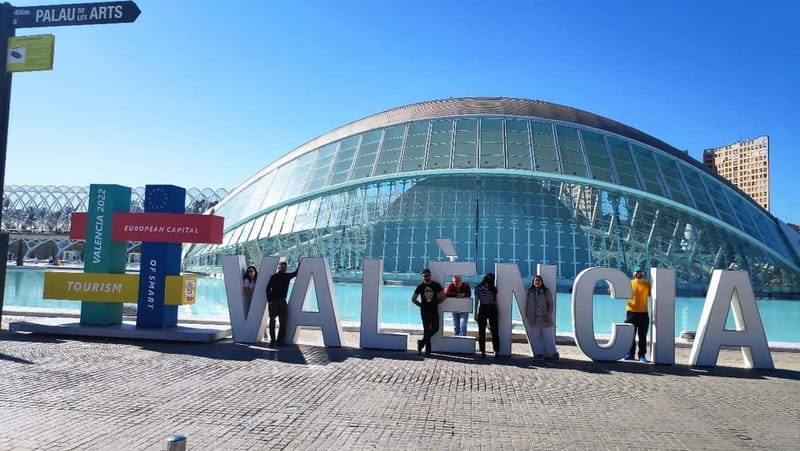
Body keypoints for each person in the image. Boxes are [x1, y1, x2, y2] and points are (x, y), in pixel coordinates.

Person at [266, 260, 301, 347]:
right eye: (281, 267)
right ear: (278, 268)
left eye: (284, 267)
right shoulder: (275, 277)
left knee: (281, 321)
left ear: (286, 268)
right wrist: (270, 300)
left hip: (281, 301)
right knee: (274, 321)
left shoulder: (286, 276)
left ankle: (278, 340)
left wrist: (300, 263)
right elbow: (267, 289)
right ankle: (274, 340)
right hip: (275, 301)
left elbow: (296, 273)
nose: (282, 269)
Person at [411, 268, 444, 355]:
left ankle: (421, 342)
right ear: (422, 277)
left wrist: (436, 303)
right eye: (424, 276)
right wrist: (421, 305)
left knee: (435, 328)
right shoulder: (420, 286)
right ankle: (428, 350)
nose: (426, 277)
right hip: (424, 311)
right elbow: (413, 299)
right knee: (426, 329)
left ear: (430, 275)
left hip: (434, 310)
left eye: (428, 275)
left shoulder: (435, 285)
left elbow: (444, 296)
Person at [525, 275, 558, 361]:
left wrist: (548, 314)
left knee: (548, 336)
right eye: (535, 280)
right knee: (536, 337)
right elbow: (527, 304)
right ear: (533, 282)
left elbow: (551, 304)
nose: (537, 282)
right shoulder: (530, 291)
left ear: (542, 282)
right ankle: (538, 353)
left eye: (539, 280)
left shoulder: (546, 291)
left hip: (545, 318)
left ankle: (553, 353)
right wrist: (527, 315)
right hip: (534, 318)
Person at [624, 265, 651, 362]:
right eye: (637, 271)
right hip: (631, 313)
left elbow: (653, 294)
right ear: (634, 273)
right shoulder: (629, 283)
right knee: (630, 335)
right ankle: (630, 354)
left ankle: (642, 355)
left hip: (643, 313)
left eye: (640, 271)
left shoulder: (647, 284)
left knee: (642, 336)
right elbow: (619, 292)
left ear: (643, 273)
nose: (639, 273)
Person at [474, 273, 499, 358]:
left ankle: (496, 350)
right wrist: (475, 312)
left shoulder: (493, 289)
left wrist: (497, 312)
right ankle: (483, 351)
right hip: (483, 308)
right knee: (482, 331)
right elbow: (476, 301)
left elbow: (495, 301)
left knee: (494, 330)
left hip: (491, 308)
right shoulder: (478, 288)